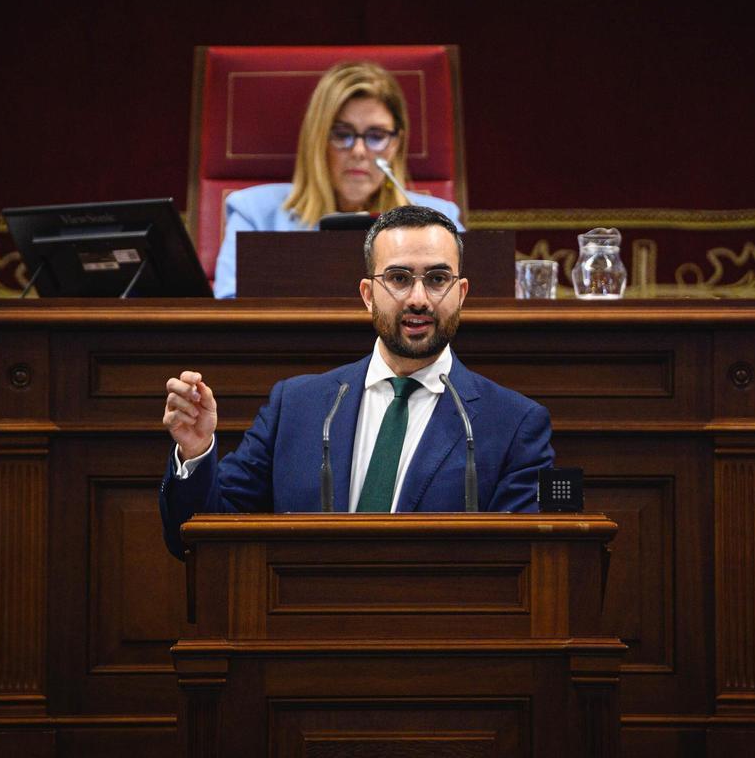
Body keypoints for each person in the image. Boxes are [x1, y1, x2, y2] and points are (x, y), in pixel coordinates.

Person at [160, 205, 552, 557]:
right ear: (368, 294)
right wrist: (196, 453)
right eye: (398, 278)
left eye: (437, 279)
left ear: (461, 293)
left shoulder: (513, 423)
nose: (419, 298)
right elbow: (198, 538)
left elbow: (520, 564)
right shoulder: (296, 405)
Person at [212, 61, 462, 298]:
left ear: (396, 143)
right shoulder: (254, 215)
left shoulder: (441, 220)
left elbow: (467, 306)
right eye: (342, 134)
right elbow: (229, 312)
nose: (360, 151)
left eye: (376, 136)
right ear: (318, 139)